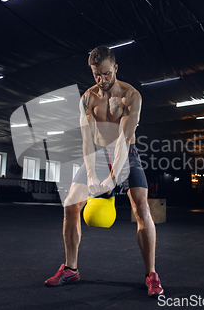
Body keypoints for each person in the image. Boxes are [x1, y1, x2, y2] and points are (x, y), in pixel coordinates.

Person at [44, 46, 164, 297]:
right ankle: (70, 269)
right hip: (96, 154)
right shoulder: (87, 98)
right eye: (97, 74)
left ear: (116, 68)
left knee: (142, 208)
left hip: (125, 153)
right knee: (70, 204)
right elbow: (87, 140)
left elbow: (124, 140)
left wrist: (111, 179)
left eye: (106, 74)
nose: (102, 79)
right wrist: (91, 174)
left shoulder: (132, 96)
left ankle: (151, 274)